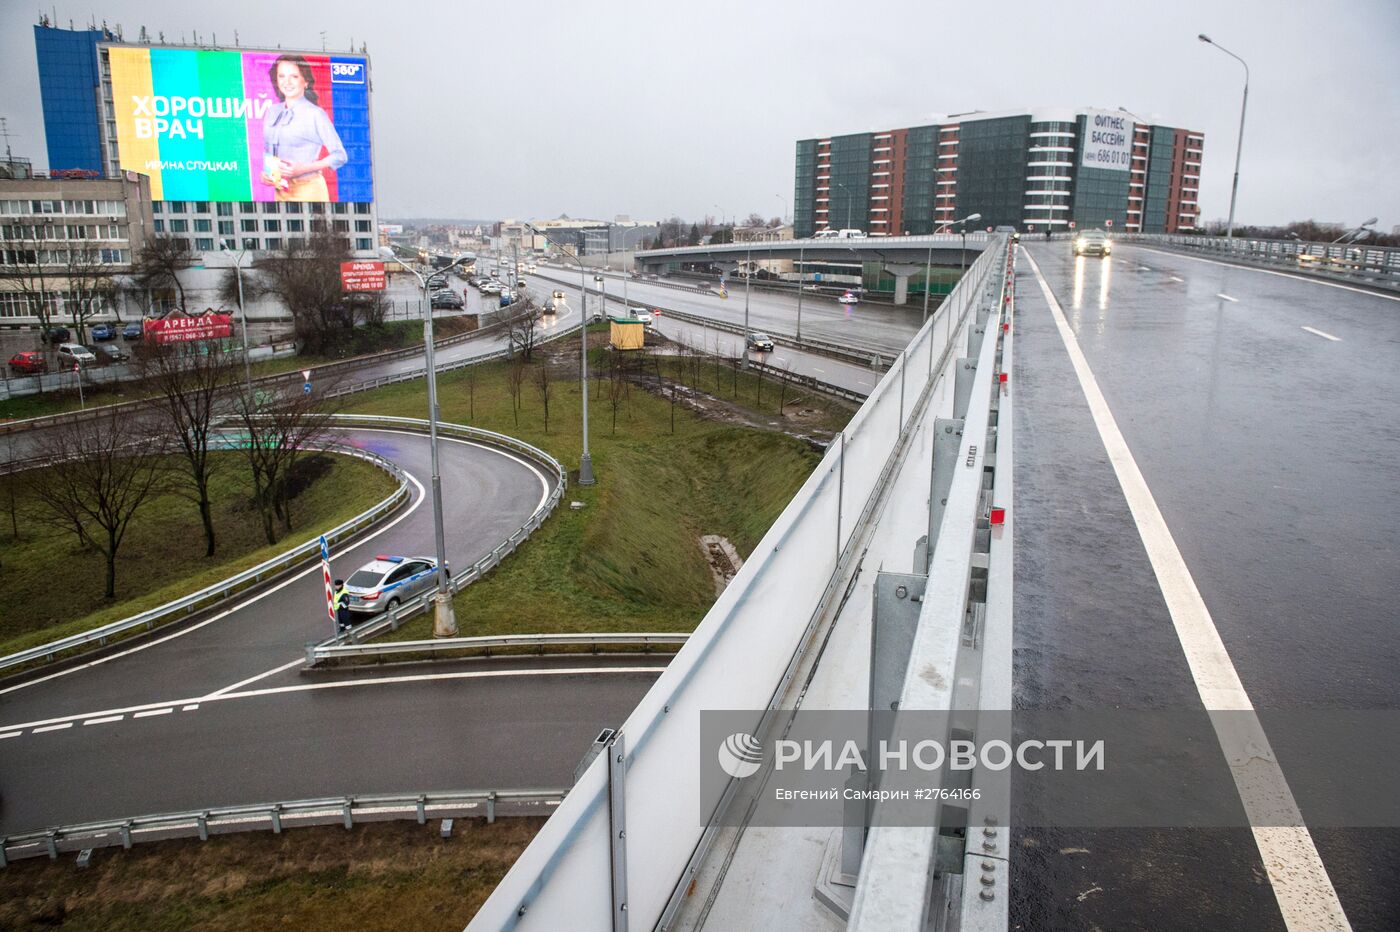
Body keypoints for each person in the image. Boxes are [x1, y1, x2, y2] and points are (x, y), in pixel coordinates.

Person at [259, 54, 347, 202]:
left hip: (309, 190)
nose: (287, 82)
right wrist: (267, 175)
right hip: (281, 191)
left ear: (305, 81)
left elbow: (340, 155)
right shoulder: (272, 112)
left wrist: (303, 169)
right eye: (282, 76)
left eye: (294, 76)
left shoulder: (315, 114)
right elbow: (268, 151)